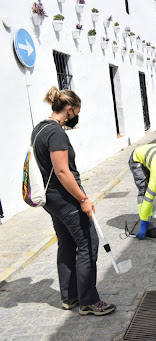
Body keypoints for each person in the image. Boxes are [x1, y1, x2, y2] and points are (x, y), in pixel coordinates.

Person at [32, 86, 115, 316]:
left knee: (67, 244)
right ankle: (88, 300)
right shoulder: (56, 133)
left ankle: (70, 297)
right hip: (65, 198)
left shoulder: (39, 128)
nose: (76, 116)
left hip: (52, 200)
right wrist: (83, 198)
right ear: (69, 109)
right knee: (88, 243)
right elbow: (61, 171)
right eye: (77, 112)